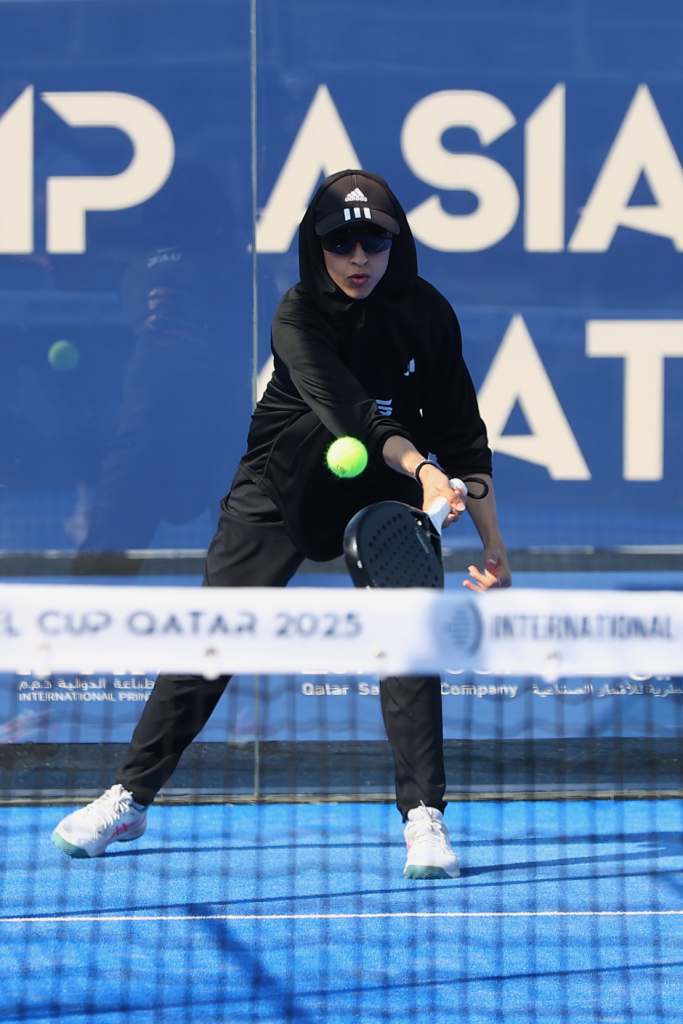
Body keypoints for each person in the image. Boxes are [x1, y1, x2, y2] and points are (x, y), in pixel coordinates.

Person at [51, 170, 512, 879]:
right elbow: (356, 416)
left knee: (409, 640)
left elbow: (464, 435)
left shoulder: (427, 314)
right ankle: (130, 796)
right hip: (280, 488)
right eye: (341, 243)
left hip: (385, 493)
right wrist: (425, 470)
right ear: (315, 246)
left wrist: (493, 545)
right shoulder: (297, 314)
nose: (358, 258)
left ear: (396, 244)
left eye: (374, 243)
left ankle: (424, 815)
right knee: (213, 635)